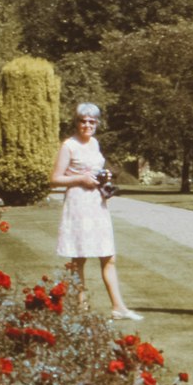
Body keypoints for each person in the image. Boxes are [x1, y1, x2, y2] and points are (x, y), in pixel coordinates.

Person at [51, 102, 142, 320]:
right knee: (79, 258)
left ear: (97, 123)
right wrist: (80, 178)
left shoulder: (94, 143)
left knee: (108, 256)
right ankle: (81, 308)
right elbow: (55, 179)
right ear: (77, 122)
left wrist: (104, 177)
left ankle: (118, 307)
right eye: (83, 121)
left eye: (92, 121)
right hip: (78, 204)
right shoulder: (69, 145)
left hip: (97, 203)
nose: (87, 125)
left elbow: (94, 169)